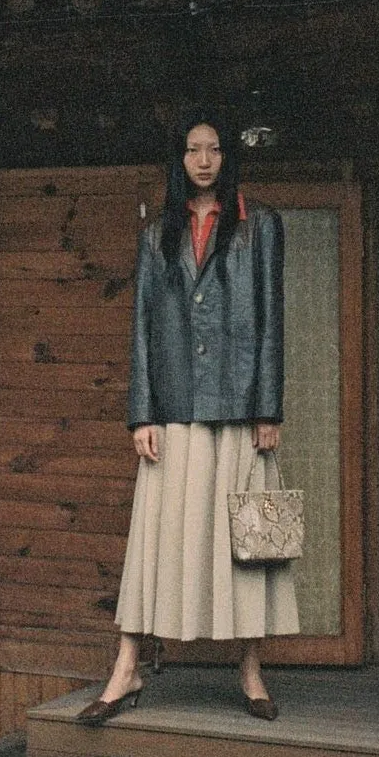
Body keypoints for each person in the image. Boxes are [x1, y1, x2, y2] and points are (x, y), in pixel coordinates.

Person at [78, 112, 299, 725]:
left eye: (214, 150)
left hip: (237, 406)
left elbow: (271, 320)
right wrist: (140, 414)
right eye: (192, 150)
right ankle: (125, 670)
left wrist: (269, 408)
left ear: (229, 158)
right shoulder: (157, 236)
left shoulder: (261, 226)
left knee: (246, 542)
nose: (204, 160)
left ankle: (252, 670)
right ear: (179, 160)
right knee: (154, 540)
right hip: (172, 410)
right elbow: (143, 329)